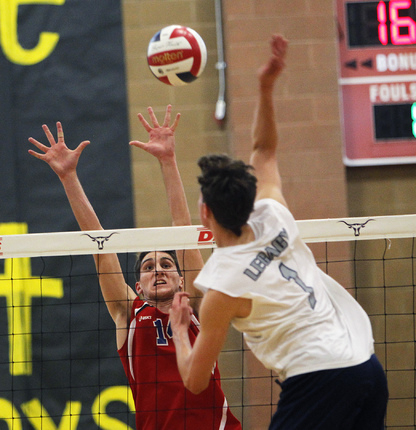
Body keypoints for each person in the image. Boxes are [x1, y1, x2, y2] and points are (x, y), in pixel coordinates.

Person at [169, 35, 389, 430]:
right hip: (366, 368)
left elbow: (195, 380)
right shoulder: (273, 215)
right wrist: (266, 87)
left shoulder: (222, 287)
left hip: (319, 380)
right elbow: (265, 151)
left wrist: (181, 330)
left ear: (205, 212)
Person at [28, 108, 241, 429]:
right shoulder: (129, 312)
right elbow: (99, 244)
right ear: (138, 286)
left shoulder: (195, 306)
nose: (158, 269)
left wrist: (168, 162)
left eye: (167, 264)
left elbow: (183, 229)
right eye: (149, 266)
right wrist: (68, 177)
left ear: (182, 278)